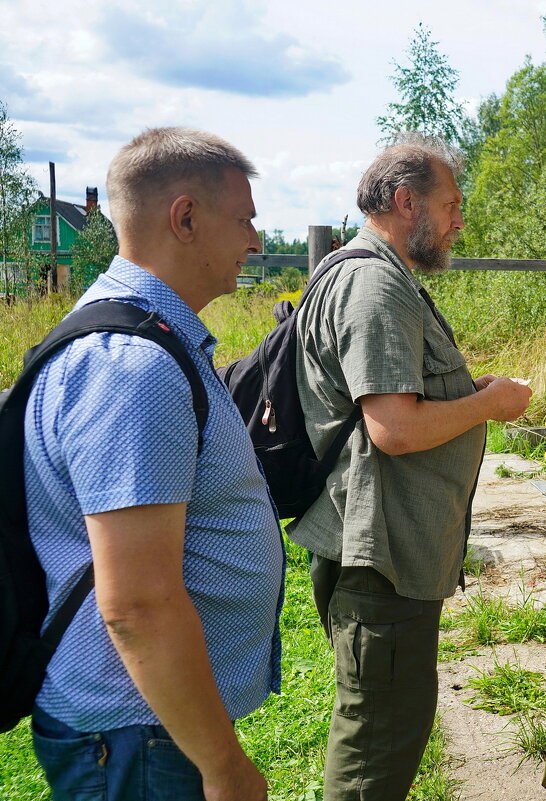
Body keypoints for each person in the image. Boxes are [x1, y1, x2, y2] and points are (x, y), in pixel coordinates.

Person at [25, 127, 284, 800]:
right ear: (187, 218)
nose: (255, 239)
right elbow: (138, 604)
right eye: (245, 218)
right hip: (139, 737)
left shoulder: (152, 341)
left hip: (150, 726)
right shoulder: (133, 367)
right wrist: (223, 765)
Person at [289, 132, 532, 801]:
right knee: (377, 747)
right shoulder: (374, 285)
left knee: (386, 728)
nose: (459, 220)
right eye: (450, 203)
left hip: (386, 552)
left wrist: (463, 392)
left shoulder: (374, 274)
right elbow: (393, 429)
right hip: (381, 555)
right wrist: (487, 403)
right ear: (404, 201)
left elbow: (400, 401)